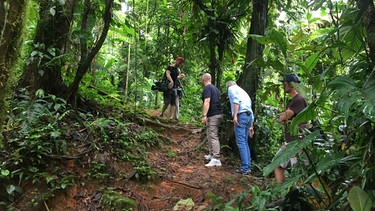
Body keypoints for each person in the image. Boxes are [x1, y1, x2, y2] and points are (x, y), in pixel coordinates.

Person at [274, 73, 308, 183]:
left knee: (299, 172)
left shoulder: (298, 99)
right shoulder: (291, 101)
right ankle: (281, 192)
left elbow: (284, 116)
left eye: (284, 83)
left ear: (291, 85)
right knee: (276, 164)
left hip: (298, 142)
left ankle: (302, 196)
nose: (283, 86)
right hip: (290, 142)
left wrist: (283, 117)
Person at [226, 81, 254, 175]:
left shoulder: (231, 88)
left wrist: (235, 116)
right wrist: (251, 126)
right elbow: (250, 108)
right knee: (244, 142)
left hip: (241, 115)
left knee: (241, 142)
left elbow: (236, 100)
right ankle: (247, 167)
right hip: (248, 117)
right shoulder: (244, 92)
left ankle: (245, 168)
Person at [201, 73, 223, 167]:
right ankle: (211, 154)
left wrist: (204, 115)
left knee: (213, 135)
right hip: (216, 113)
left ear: (203, 80)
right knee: (209, 133)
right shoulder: (215, 88)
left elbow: (207, 101)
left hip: (213, 114)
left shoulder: (207, 88)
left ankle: (216, 158)